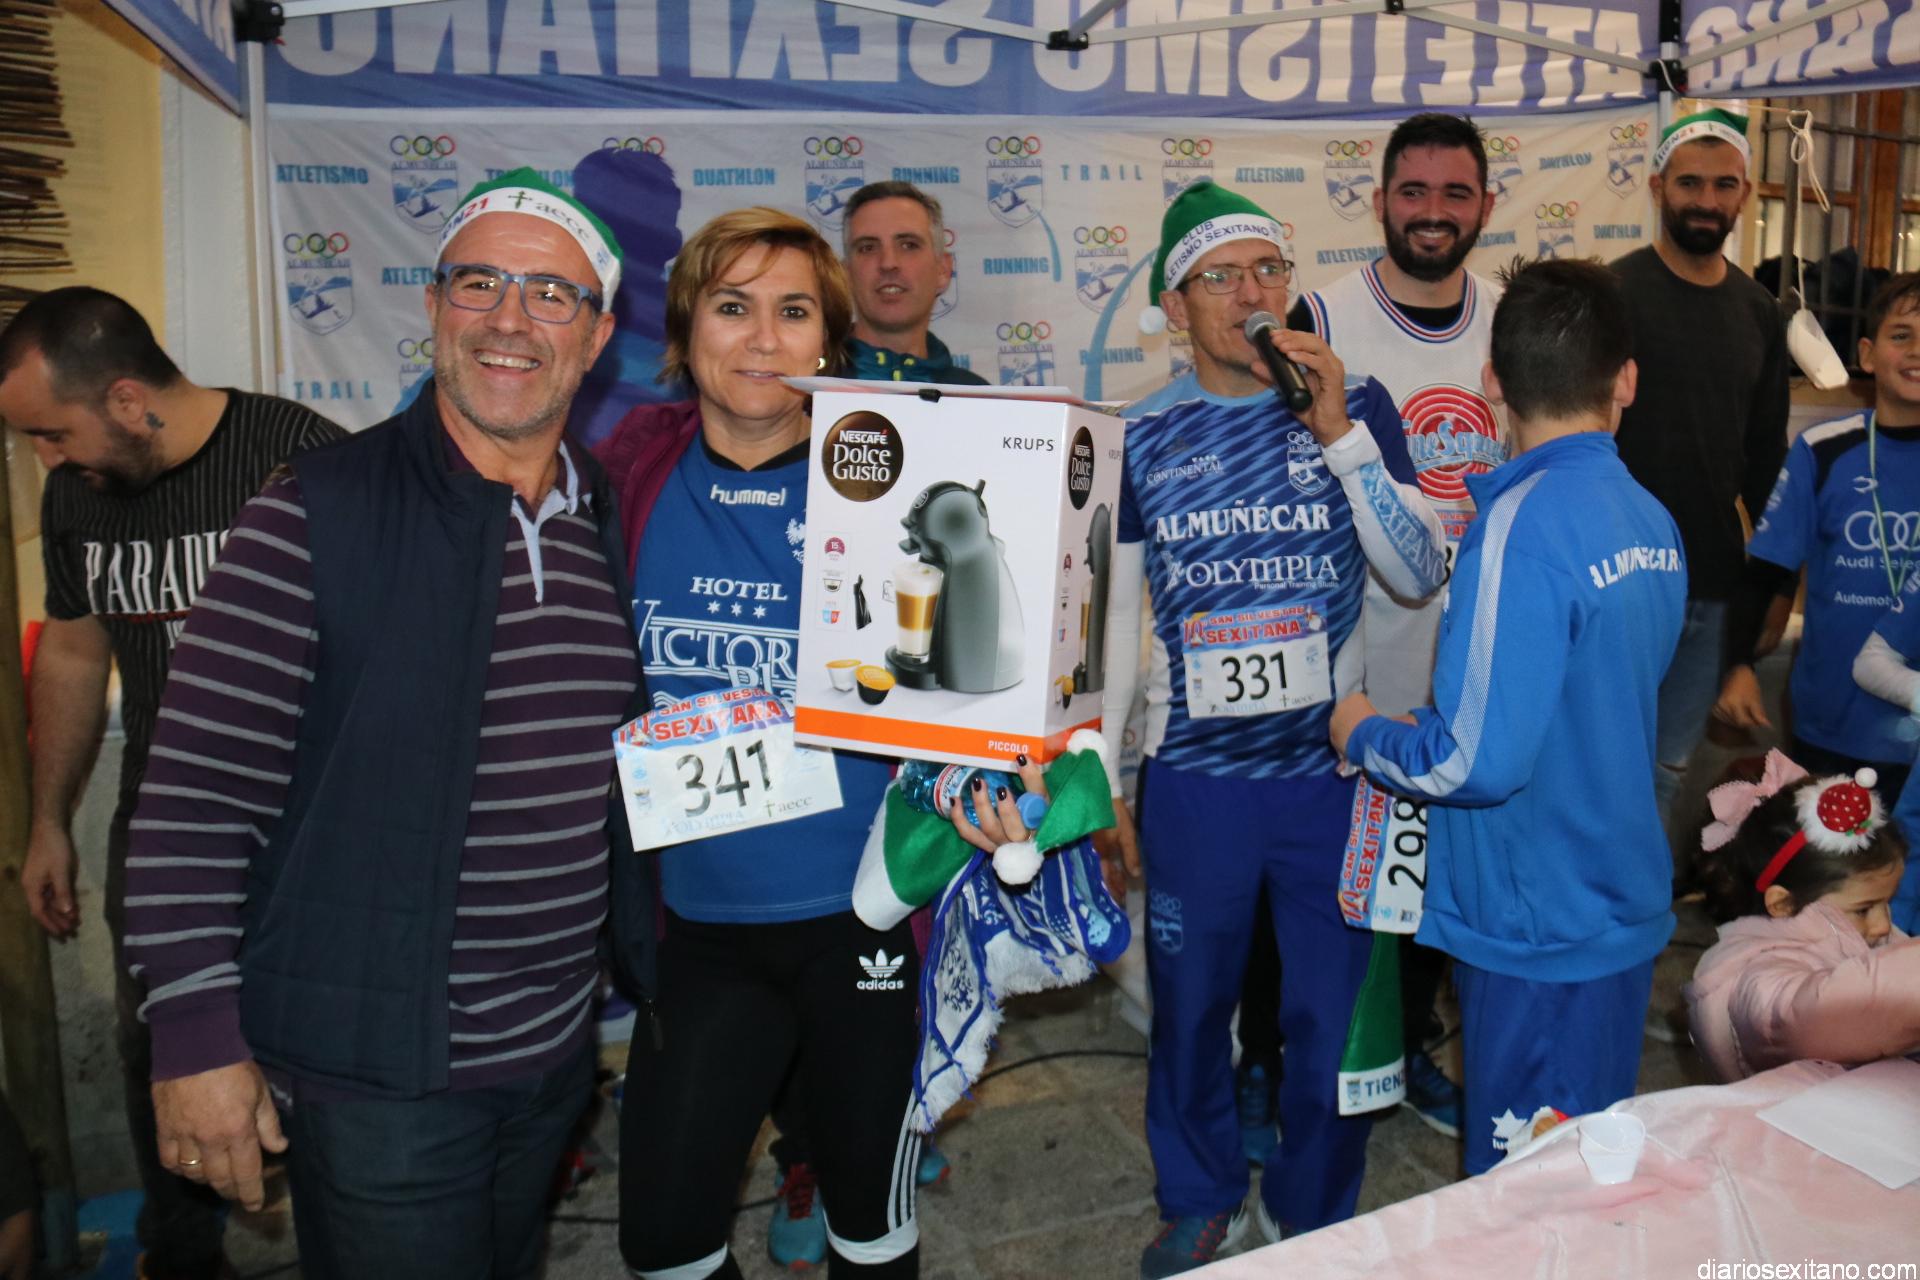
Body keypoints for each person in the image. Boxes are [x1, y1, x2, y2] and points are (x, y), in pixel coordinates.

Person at [118, 168, 652, 1280]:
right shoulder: (316, 510)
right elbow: (193, 798)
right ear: (434, 305)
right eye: (480, 283)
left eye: (551, 295)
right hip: (380, 1085)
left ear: (597, 336)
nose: (510, 319)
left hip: (554, 1059)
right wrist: (195, 1036)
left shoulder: (599, 513)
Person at [1109, 179, 1446, 1274]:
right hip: (1197, 779)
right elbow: (1111, 620)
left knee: (1334, 1015)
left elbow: (1418, 570)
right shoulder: (1138, 433)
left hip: (1331, 777)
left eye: (1269, 270)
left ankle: (1313, 1206)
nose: (1253, 294)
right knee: (1191, 1008)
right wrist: (1105, 770)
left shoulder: (1358, 404)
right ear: (1176, 306)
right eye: (1222, 277)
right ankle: (1199, 1195)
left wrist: (1340, 433)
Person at [599, 207, 918, 1280]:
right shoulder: (626, 474)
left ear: (830, 342)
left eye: (794, 312)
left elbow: (972, 669)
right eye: (733, 307)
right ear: (686, 329)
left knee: (871, 1235)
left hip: (862, 917)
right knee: (665, 1245)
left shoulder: (888, 482)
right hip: (696, 927)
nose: (764, 338)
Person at [0, 286, 344, 1280]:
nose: (46, 459)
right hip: (162, 827)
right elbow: (74, 654)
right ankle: (183, 1255)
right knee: (158, 1044)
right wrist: (49, 820)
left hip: (307, 826)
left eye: (53, 432)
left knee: (324, 1052)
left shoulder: (300, 455)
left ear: (126, 399)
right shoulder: (79, 493)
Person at [1332, 257, 1685, 1176]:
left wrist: (1361, 731)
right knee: (1594, 1172)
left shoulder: (1518, 526)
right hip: (1614, 900)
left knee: (1528, 1194)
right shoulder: (1650, 516)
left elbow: (1470, 763)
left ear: (1491, 383)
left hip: (1538, 924)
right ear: (1626, 381)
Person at [1291, 109, 1506, 1142]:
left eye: (1455, 193)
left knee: (1430, 876)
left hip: (1475, 654)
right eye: (1413, 191)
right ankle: (1282, 1059)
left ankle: (1412, 1042)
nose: (1432, 211)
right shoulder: (1321, 316)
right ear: (1378, 201)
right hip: (1354, 660)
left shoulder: (1514, 318)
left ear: (1486, 205)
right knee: (1321, 879)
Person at [1611, 108, 1790, 835]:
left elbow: (1767, 464)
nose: (1706, 200)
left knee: (1665, 775)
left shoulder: (1759, 311)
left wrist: (1773, 591)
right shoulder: (1612, 295)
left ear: (1745, 194)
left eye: (1723, 185)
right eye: (1690, 183)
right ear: (1658, 187)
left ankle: (1639, 908)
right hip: (1616, 583)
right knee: (1602, 767)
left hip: (1710, 593)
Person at [1717, 273, 1920, 804]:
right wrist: (1738, 666)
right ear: (1867, 355)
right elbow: (1766, 571)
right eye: (1902, 335)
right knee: (1828, 860)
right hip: (1834, 725)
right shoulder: (1823, 450)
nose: (1917, 350)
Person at [1684, 753, 1917, 1082]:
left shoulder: (1859, 929)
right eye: (1864, 909)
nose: (1883, 925)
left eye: (1887, 903)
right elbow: (1811, 1014)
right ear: (1783, 904)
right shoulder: (1758, 977)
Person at [842, 181, 985, 386]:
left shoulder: (977, 397)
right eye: (868, 248)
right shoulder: (809, 392)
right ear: (846, 274)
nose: (888, 263)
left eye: (908, 245)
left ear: (943, 270)